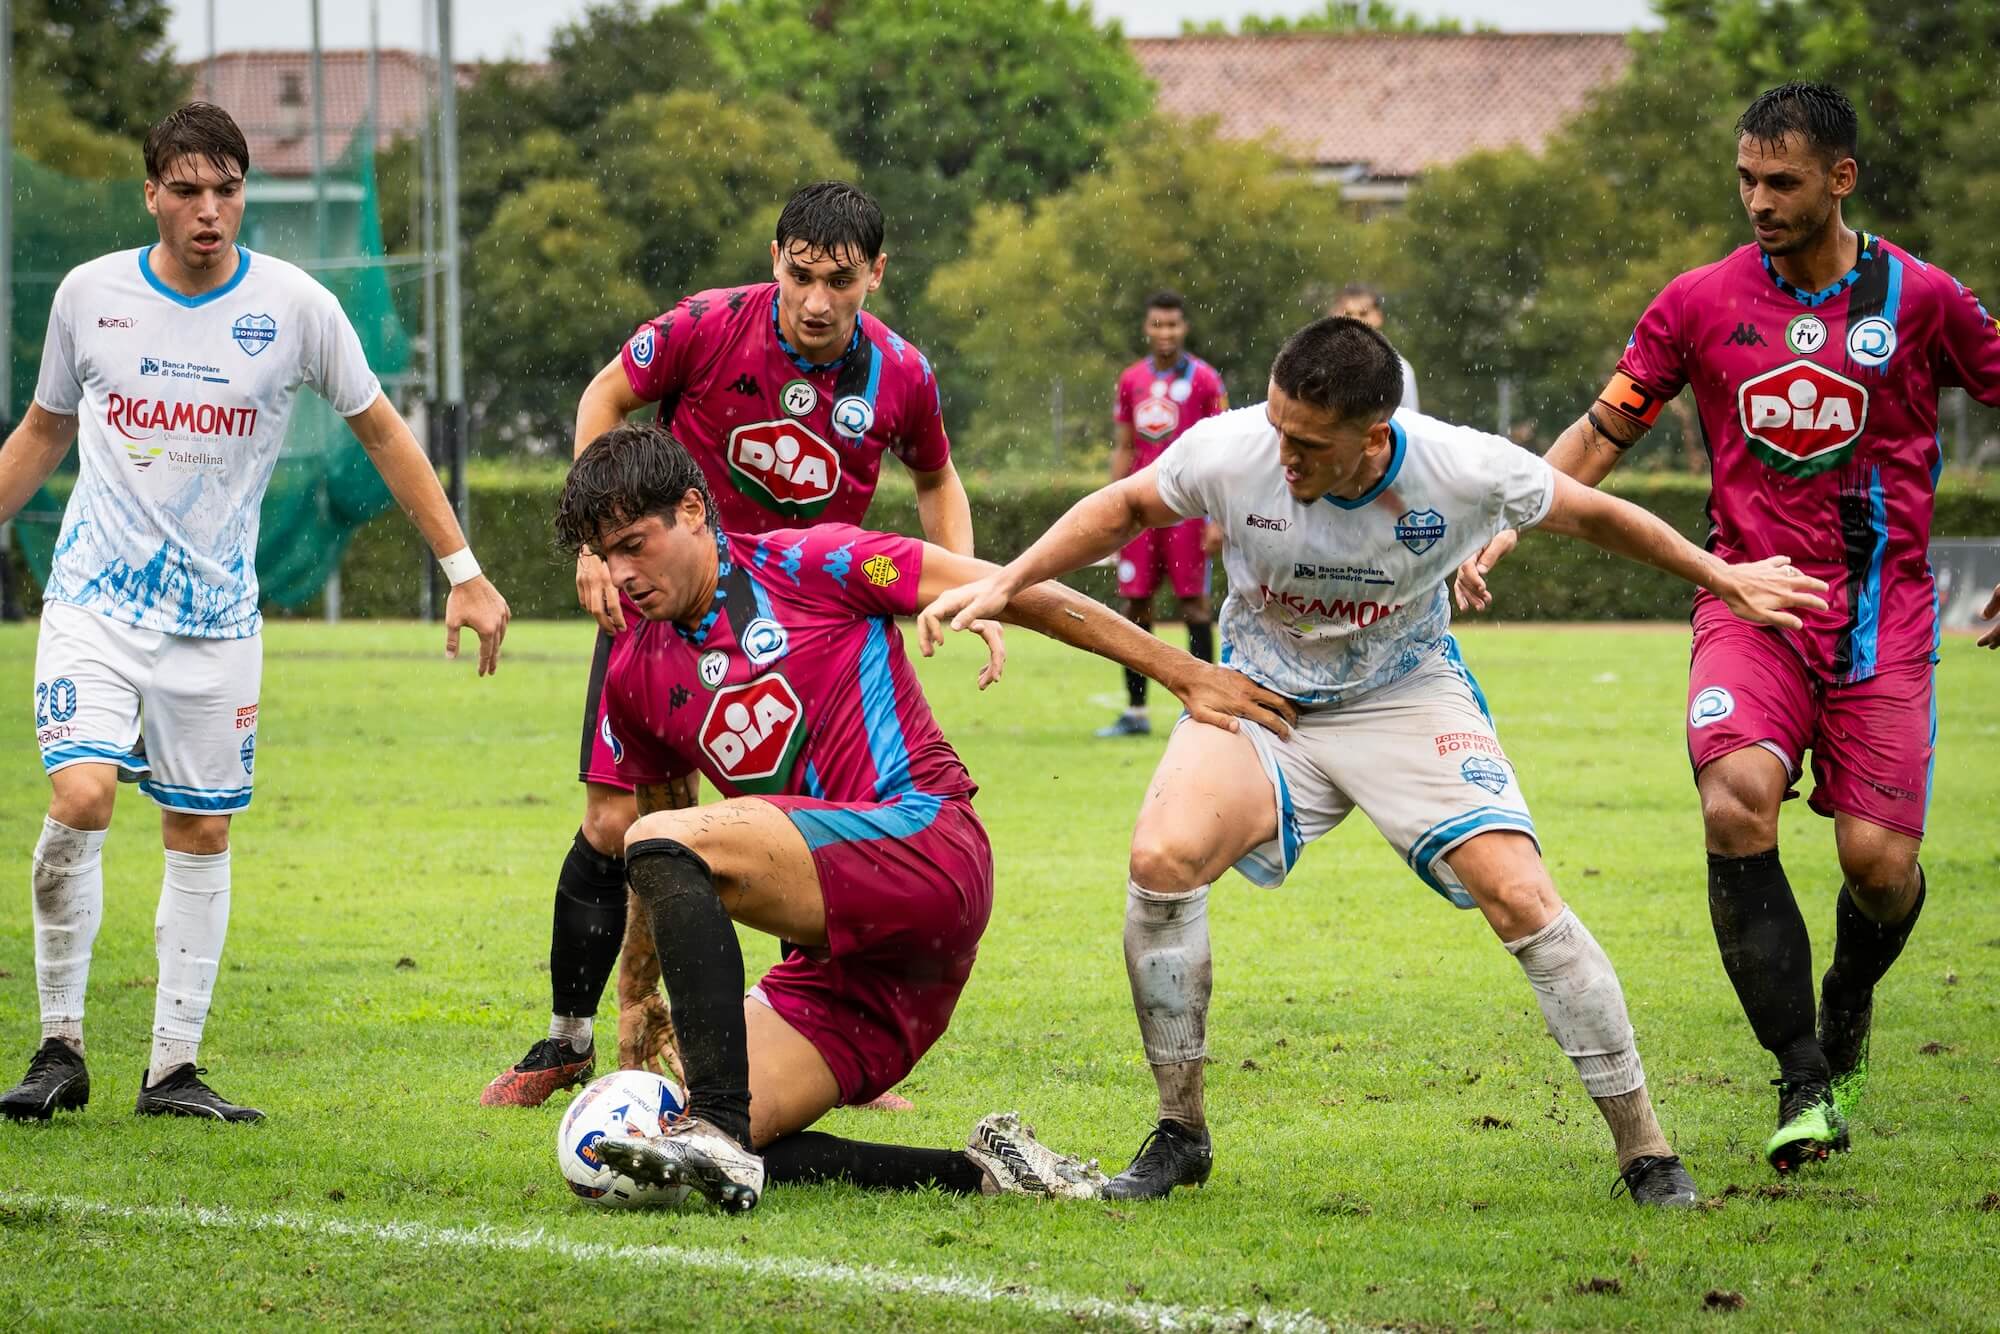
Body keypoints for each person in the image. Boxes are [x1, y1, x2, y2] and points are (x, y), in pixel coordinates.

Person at [923, 317, 1830, 1207]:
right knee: (1160, 861)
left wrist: (1724, 579)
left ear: (1374, 436)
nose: (1284, 456)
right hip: (1260, 696)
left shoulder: (1462, 465)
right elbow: (1124, 506)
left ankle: (1646, 1152)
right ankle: (1180, 1132)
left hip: (1406, 696)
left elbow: (1597, 515)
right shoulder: (1232, 448)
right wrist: (1007, 581)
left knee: (1522, 898)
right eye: (1279, 428)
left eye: (1310, 444)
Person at [1455, 82, 2000, 1173]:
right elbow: (1605, 425)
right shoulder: (1698, 301)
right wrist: (1508, 518)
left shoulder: (1922, 297)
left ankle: (1843, 1002)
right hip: (1746, 598)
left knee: (1876, 864)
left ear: (1838, 180)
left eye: (1781, 181)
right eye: (1745, 177)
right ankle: (1801, 1073)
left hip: (1879, 619)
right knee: (1732, 801)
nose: (1756, 199)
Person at [551, 422, 1288, 1212]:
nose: (623, 574)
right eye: (607, 556)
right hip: (852, 965)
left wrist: (1181, 673)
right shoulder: (633, 674)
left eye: (635, 544)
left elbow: (1017, 589)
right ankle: (981, 1170)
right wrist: (636, 993)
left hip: (925, 846)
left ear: (694, 510)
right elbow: (663, 841)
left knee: (703, 1081)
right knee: (702, 1112)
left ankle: (716, 1134)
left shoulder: (820, 560)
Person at [0, 104, 509, 1123]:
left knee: (199, 825)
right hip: (94, 601)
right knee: (86, 794)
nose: (207, 210)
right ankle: (58, 1044)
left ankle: (172, 1068)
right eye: (185, 190)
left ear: (244, 195)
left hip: (218, 619)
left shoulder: (299, 307)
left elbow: (383, 434)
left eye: (225, 190)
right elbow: (44, 429)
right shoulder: (88, 297)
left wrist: (463, 567)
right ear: (150, 193)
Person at [482, 182, 974, 1110]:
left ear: (876, 273)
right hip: (667, 605)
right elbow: (606, 394)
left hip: (806, 625)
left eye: (840, 280)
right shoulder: (707, 325)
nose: (817, 300)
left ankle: (819, 1044)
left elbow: (937, 477)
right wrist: (602, 541)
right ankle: (576, 1039)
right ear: (774, 257)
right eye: (800, 275)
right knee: (613, 826)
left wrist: (969, 582)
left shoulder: (901, 373)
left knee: (812, 830)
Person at [1096, 290, 1229, 738]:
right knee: (1134, 604)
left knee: (1194, 604)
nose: (1165, 333)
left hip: (1189, 510)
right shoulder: (1131, 380)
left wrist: (1218, 517)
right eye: (1158, 324)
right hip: (1138, 508)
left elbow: (1223, 452)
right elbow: (1125, 447)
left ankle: (1206, 699)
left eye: (1172, 325)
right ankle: (1136, 712)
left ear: (1184, 328)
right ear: (1147, 328)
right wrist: (1109, 508)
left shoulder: (1207, 381)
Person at [1329, 283, 1420, 411]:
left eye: (1363, 313)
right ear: (1334, 315)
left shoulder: (1400, 370)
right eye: (1347, 313)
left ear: (1378, 317)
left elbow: (1410, 423)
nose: (1355, 320)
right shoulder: (1317, 364)